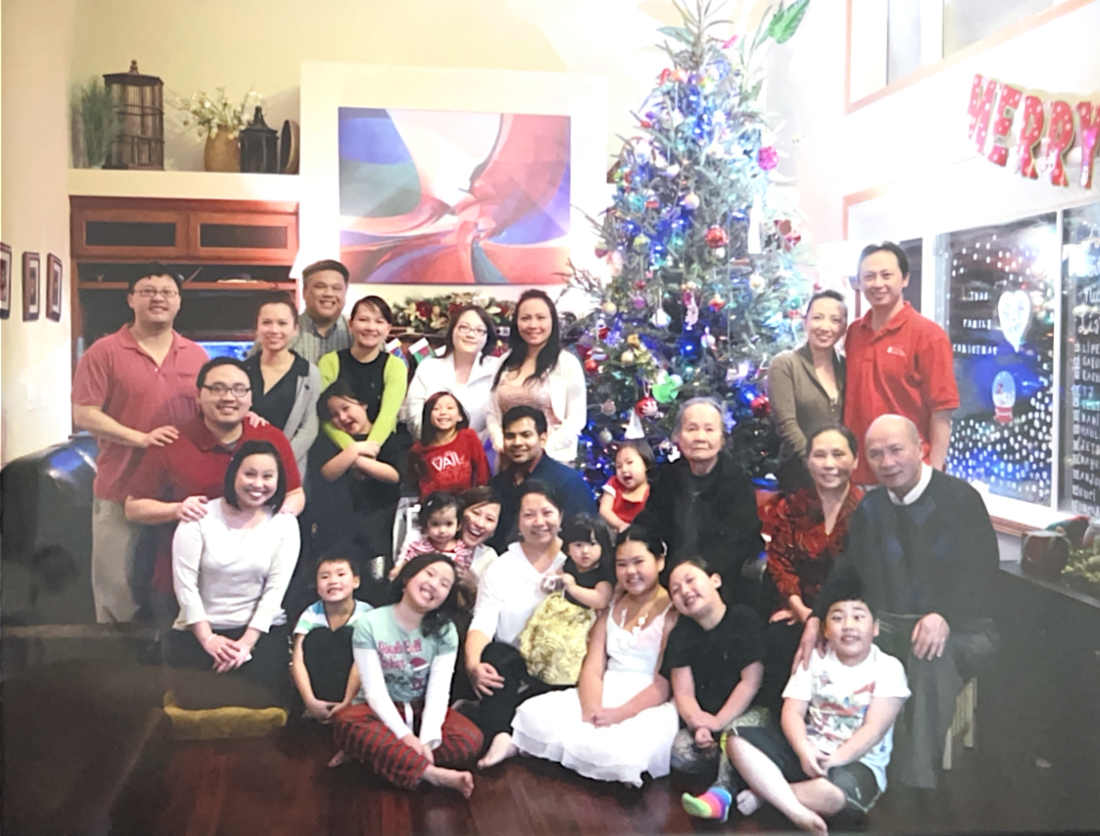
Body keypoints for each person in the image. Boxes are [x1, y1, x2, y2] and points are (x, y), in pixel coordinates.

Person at [794, 414, 998, 789]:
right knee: (836, 644)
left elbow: (982, 574)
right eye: (876, 455)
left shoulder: (959, 499)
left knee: (929, 654)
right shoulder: (871, 510)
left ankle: (914, 783)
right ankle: (825, 756)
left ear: (920, 448)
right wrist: (816, 618)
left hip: (964, 626)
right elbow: (847, 570)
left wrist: (945, 616)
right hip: (892, 622)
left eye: (895, 450)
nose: (887, 463)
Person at [719, 573, 909, 835]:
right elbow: (792, 712)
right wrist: (804, 750)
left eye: (858, 616)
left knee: (833, 796)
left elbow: (873, 730)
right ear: (825, 628)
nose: (848, 625)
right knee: (735, 740)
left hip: (855, 763)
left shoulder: (888, 667)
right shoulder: (815, 659)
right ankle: (793, 809)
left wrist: (834, 761)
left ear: (875, 627)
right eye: (837, 617)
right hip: (808, 752)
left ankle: (765, 794)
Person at [72, 264, 208, 622]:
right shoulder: (104, 352)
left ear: (179, 302)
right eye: (148, 291)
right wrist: (141, 439)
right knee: (116, 590)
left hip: (181, 494)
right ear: (131, 299)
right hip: (119, 487)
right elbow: (84, 413)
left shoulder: (197, 355)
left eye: (167, 292)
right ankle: (119, 671)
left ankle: (175, 669)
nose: (158, 298)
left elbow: (209, 413)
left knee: (180, 589)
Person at [125, 357, 304, 616]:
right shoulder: (171, 442)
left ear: (251, 398)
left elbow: (295, 494)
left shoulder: (270, 437)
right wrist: (178, 510)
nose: (229, 397)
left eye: (239, 389)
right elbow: (133, 508)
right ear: (198, 395)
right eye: (217, 388)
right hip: (184, 581)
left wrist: (274, 522)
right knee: (184, 655)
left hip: (254, 584)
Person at [503, 526, 680, 787]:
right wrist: (591, 708)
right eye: (622, 564)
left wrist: (619, 714)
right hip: (604, 688)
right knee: (532, 712)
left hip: (647, 701)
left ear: (660, 561)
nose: (630, 572)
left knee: (620, 751)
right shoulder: (613, 605)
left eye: (639, 562)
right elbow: (593, 667)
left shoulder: (672, 611)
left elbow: (663, 684)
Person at [330, 553, 484, 798]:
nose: (434, 585)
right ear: (407, 576)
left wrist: (426, 739)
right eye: (429, 574)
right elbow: (375, 693)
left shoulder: (446, 630)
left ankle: (375, 753)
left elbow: (438, 692)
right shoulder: (369, 623)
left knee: (470, 739)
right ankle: (431, 774)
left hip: (420, 711)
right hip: (376, 712)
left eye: (445, 584)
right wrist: (405, 737)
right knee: (345, 722)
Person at [167, 441, 301, 709]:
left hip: (259, 635)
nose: (258, 483)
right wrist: (208, 639)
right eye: (249, 474)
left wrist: (245, 645)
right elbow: (185, 586)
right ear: (234, 474)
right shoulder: (199, 516)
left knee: (262, 707)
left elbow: (275, 592)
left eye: (267, 476)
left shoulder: (285, 524)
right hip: (199, 632)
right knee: (197, 706)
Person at [465, 482, 570, 768]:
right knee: (494, 657)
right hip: (513, 662)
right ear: (518, 522)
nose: (539, 522)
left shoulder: (577, 560)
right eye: (529, 515)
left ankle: (512, 729)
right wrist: (473, 664)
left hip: (560, 666)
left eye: (547, 513)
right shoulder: (501, 566)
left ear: (560, 515)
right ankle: (503, 734)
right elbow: (483, 621)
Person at [762, 425, 864, 707]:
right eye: (820, 455)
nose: (829, 464)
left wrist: (826, 619)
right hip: (799, 608)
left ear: (855, 460)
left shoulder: (868, 510)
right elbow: (779, 562)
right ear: (808, 462)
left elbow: (865, 572)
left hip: (849, 612)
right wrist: (804, 612)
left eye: (838, 454)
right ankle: (778, 723)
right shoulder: (792, 506)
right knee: (780, 635)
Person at [845, 242, 959, 485]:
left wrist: (935, 477)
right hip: (859, 474)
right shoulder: (854, 332)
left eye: (886, 275)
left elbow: (942, 412)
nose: (877, 284)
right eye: (869, 276)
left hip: (909, 476)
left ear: (905, 279)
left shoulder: (928, 335)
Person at [633, 398, 764, 605]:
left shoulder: (736, 480)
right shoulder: (670, 475)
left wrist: (693, 576)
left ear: (722, 439)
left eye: (709, 429)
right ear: (678, 436)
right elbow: (648, 525)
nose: (700, 437)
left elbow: (739, 542)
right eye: (691, 429)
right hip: (669, 580)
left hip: (720, 583)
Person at [664, 559, 768, 785]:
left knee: (736, 735)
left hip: (746, 712)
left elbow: (751, 682)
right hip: (705, 718)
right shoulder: (680, 633)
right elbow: (683, 693)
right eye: (676, 590)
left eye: (690, 580)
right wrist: (699, 723)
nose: (685, 591)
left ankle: (723, 791)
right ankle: (741, 773)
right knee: (679, 754)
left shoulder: (744, 619)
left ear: (715, 580)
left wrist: (718, 722)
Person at [304, 380, 410, 601]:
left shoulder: (391, 437)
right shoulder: (329, 442)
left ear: (363, 404)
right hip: (338, 530)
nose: (342, 418)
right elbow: (327, 472)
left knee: (376, 589)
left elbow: (393, 475)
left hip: (379, 530)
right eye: (333, 415)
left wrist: (356, 460)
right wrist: (354, 449)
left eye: (345, 408)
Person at [486, 290, 586, 463]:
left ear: (552, 322)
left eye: (540, 318)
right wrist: (500, 442)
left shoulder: (567, 362)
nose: (533, 325)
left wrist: (540, 450)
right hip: (508, 461)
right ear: (516, 323)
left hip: (552, 461)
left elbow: (576, 420)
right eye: (525, 318)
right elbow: (492, 413)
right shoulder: (505, 361)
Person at [517, 514, 615, 686]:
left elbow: (601, 599)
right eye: (578, 545)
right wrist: (550, 580)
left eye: (592, 544)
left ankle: (562, 678)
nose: (585, 551)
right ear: (568, 548)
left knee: (566, 648)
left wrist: (574, 588)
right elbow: (557, 577)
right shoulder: (569, 564)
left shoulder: (602, 573)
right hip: (559, 612)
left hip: (582, 620)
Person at [767, 291, 848, 492]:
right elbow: (786, 425)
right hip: (798, 473)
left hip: (840, 473)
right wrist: (816, 462)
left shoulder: (847, 367)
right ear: (805, 322)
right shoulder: (785, 364)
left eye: (835, 320)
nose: (825, 327)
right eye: (817, 318)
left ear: (843, 328)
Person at [486, 405, 596, 551]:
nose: (517, 443)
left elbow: (584, 537)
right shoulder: (498, 484)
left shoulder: (568, 482)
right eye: (510, 436)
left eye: (526, 435)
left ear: (542, 439)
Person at [242, 292, 322, 477]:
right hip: (243, 469)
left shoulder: (308, 373)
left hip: (288, 469)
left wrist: (278, 462)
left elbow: (309, 428)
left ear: (295, 328)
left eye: (282, 323)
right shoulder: (242, 371)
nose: (274, 330)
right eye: (266, 322)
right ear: (257, 328)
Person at [317, 295, 407, 455]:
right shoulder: (329, 362)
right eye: (363, 319)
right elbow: (323, 414)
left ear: (388, 329)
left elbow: (387, 416)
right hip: (336, 449)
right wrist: (353, 451)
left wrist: (367, 454)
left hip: (382, 448)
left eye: (379, 322)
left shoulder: (395, 366)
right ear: (351, 324)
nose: (371, 327)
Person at [290, 555, 373, 724]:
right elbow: (297, 660)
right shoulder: (311, 613)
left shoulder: (368, 615)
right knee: (317, 637)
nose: (333, 581)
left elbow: (364, 663)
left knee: (348, 636)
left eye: (341, 574)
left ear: (356, 581)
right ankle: (315, 709)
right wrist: (310, 701)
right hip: (317, 690)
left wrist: (347, 703)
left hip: (356, 696)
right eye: (325, 576)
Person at [405, 305, 501, 442]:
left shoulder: (497, 369)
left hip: (483, 453)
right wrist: (446, 444)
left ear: (487, 337)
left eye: (479, 330)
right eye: (464, 327)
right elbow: (414, 419)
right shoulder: (428, 368)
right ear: (452, 331)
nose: (471, 334)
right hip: (434, 451)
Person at [407, 391, 491, 501]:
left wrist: (479, 497)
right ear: (428, 416)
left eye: (450, 408)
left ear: (460, 416)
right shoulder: (418, 450)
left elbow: (482, 470)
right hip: (435, 508)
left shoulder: (468, 436)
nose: (443, 412)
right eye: (436, 409)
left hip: (465, 502)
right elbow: (413, 480)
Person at [284, 259, 352, 363]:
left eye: (336, 288)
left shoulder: (359, 334)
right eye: (320, 287)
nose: (329, 293)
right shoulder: (281, 332)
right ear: (304, 291)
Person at [393, 491, 471, 575]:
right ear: (425, 525)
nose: (442, 530)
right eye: (435, 524)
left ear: (458, 525)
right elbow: (405, 565)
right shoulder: (420, 548)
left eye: (449, 524)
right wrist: (397, 570)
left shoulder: (463, 550)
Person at [599, 440, 654, 532]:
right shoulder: (614, 483)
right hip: (613, 532)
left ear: (646, 464)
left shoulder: (653, 490)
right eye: (619, 466)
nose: (624, 470)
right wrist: (621, 525)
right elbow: (604, 510)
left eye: (629, 463)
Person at [459, 486, 503, 595]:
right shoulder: (431, 543)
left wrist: (475, 586)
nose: (480, 524)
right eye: (475, 513)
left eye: (490, 519)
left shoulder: (490, 559)